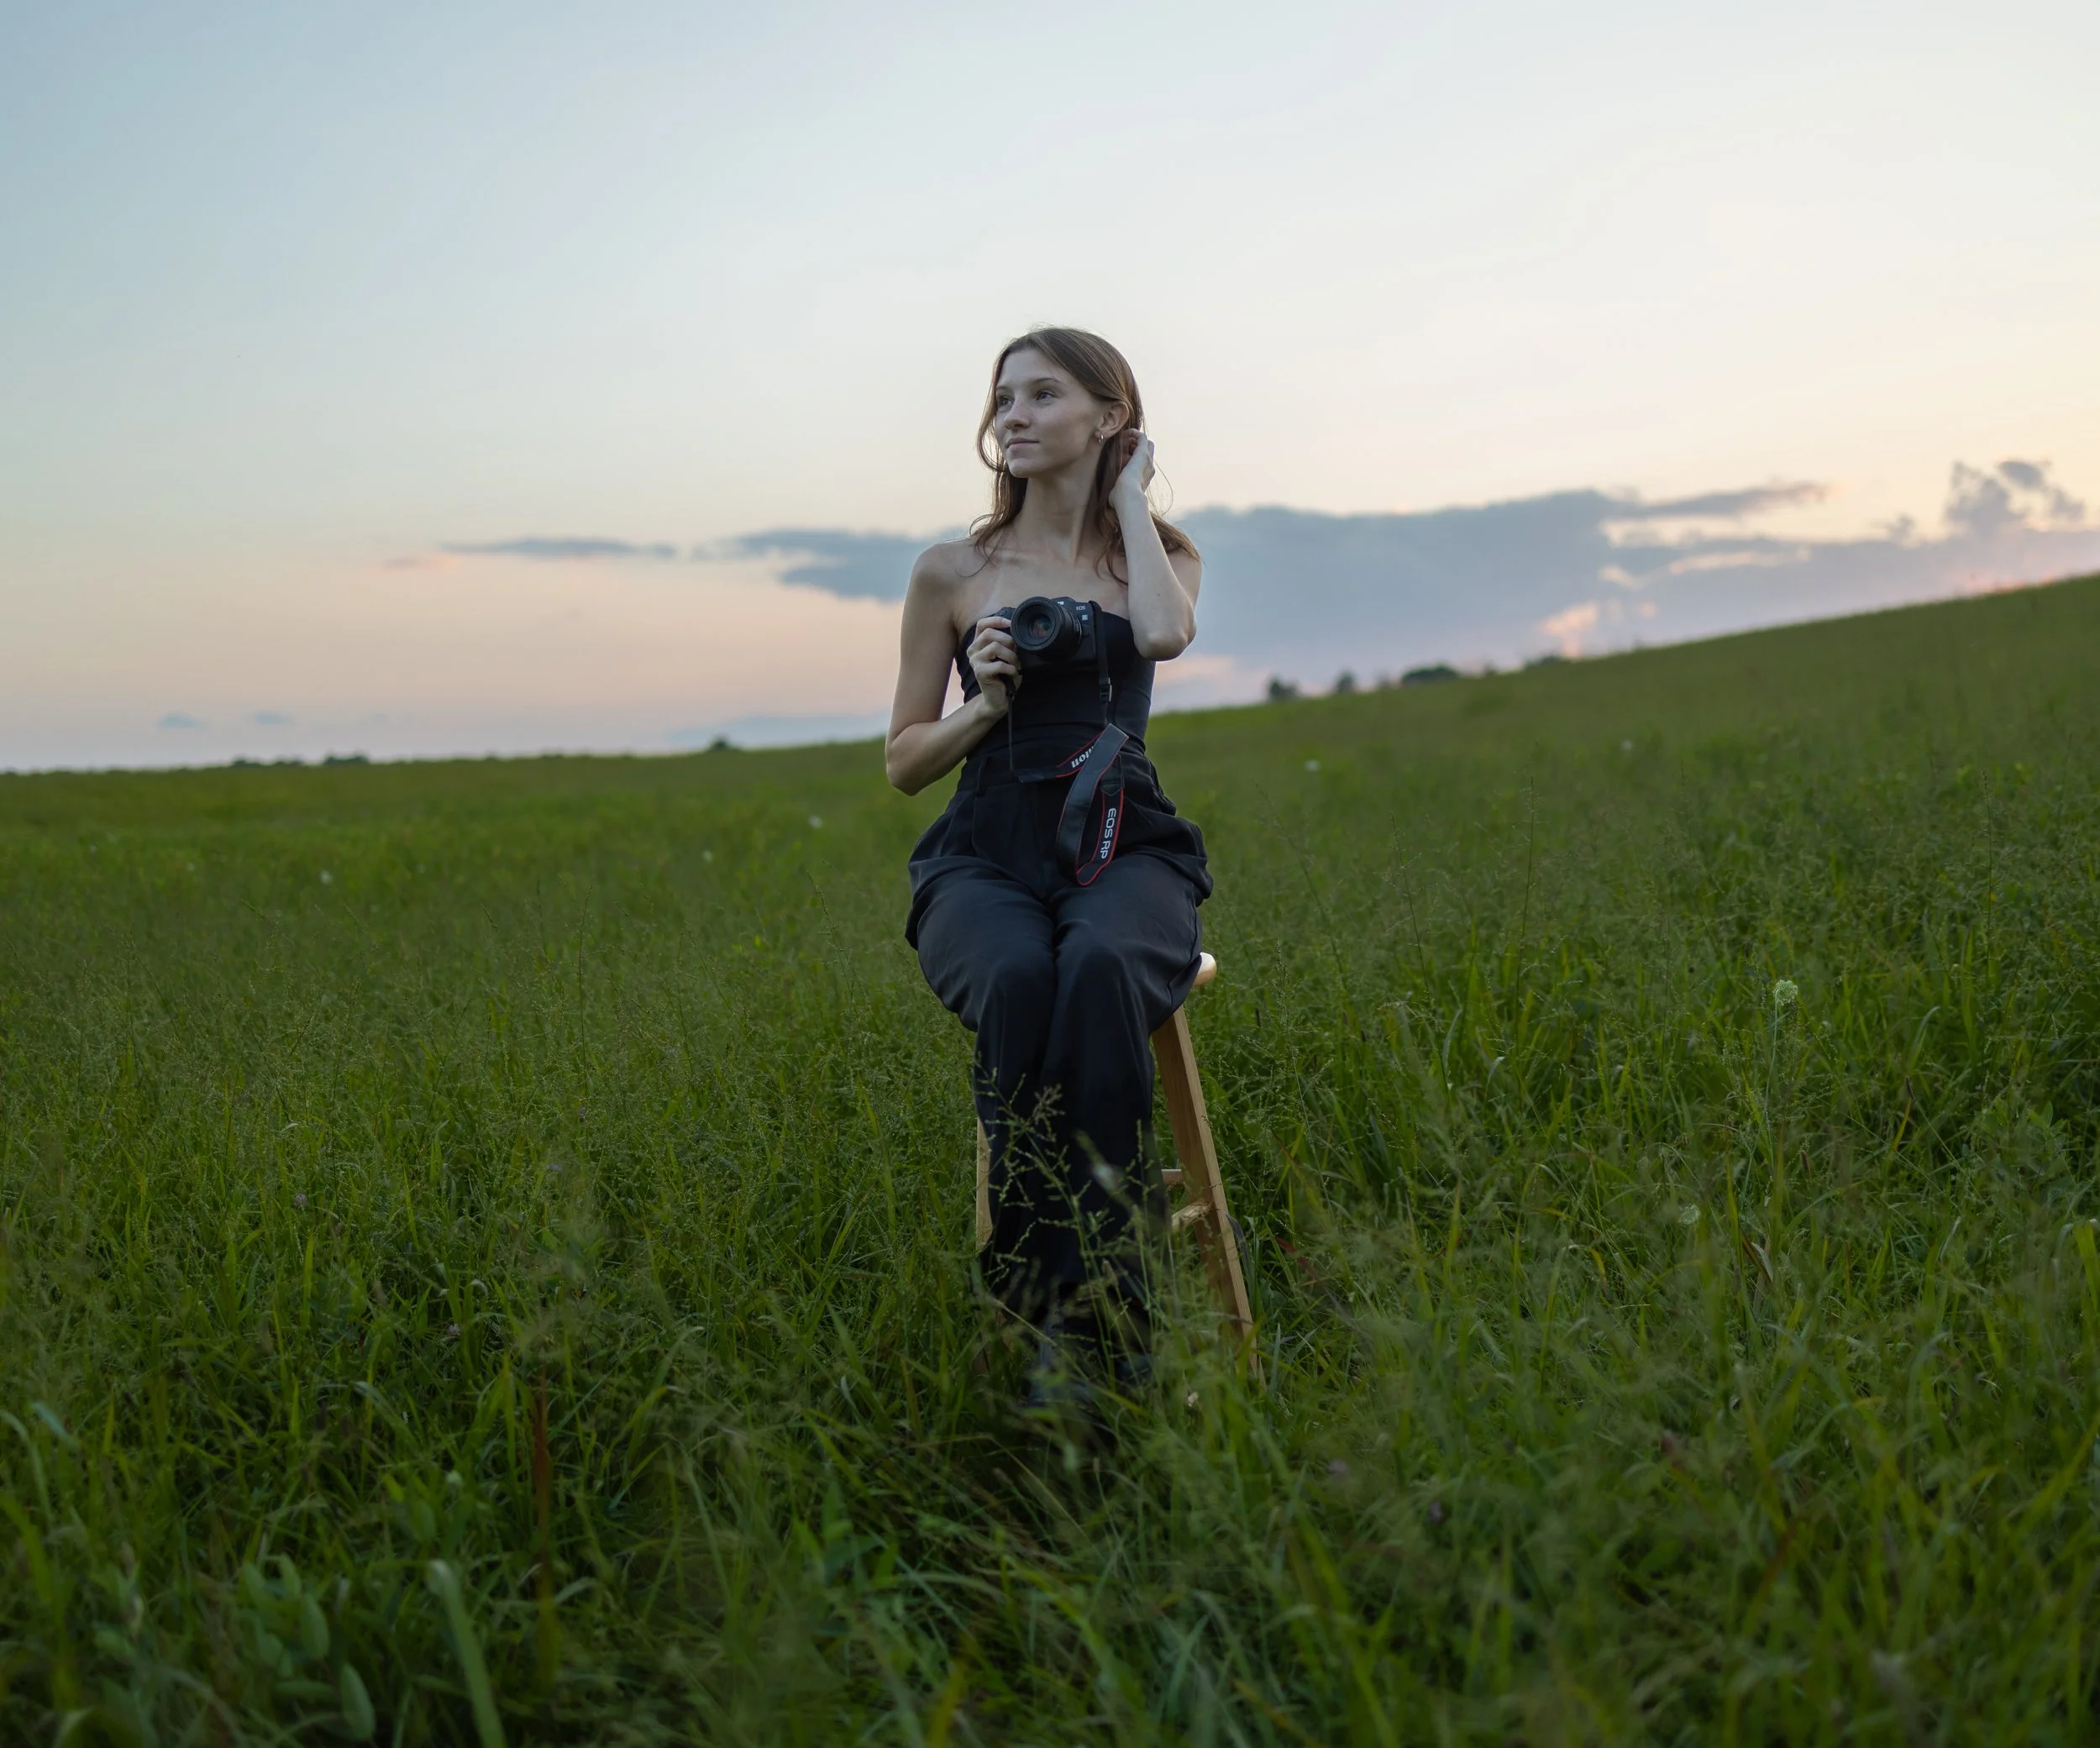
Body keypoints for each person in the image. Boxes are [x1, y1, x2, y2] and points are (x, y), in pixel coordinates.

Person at [885, 328, 1211, 1399]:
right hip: (982, 852)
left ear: (1109, 416)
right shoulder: (952, 571)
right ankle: (1073, 1315)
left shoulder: (1158, 557)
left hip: (1126, 843)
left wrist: (1129, 500)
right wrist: (984, 703)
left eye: (1041, 395)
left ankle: (1089, 1318)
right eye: (1003, 398)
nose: (1012, 417)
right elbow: (903, 764)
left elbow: (1161, 637)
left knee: (1101, 966)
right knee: (1023, 977)